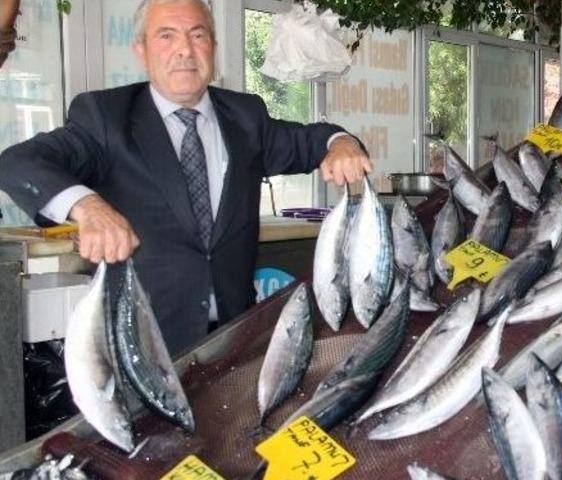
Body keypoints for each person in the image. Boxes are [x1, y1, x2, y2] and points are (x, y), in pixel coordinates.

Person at [0, 0, 371, 353]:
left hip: (234, 343)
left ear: (213, 46)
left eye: (197, 35)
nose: (184, 50)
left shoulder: (246, 117)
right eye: (166, 36)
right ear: (141, 50)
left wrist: (341, 143)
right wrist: (87, 207)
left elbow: (313, 140)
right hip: (143, 346)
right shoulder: (106, 117)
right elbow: (18, 162)